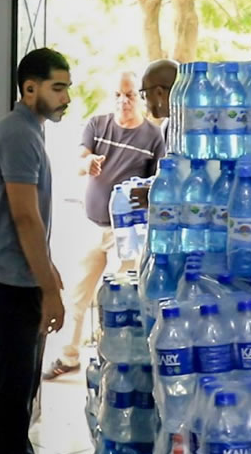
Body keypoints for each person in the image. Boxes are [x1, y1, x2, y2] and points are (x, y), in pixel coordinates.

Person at [0, 48, 75, 454]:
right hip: (9, 282)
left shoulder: (27, 131)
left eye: (67, 87)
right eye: (58, 88)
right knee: (15, 391)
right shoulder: (18, 134)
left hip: (19, 276)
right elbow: (24, 218)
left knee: (26, 384)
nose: (65, 97)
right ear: (29, 88)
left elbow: (32, 221)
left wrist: (48, 270)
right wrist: (49, 289)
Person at [43, 70, 165, 380]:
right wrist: (89, 163)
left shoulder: (153, 136)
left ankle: (115, 363)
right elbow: (79, 159)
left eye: (130, 95)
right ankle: (68, 356)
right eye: (118, 95)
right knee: (77, 295)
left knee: (119, 298)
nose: (123, 101)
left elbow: (158, 186)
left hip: (126, 234)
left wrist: (137, 192)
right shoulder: (98, 125)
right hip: (91, 225)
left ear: (139, 97)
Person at [131, 58, 179, 210]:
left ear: (159, 93)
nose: (144, 102)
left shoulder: (196, 130)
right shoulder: (168, 126)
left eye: (144, 94)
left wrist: (154, 196)